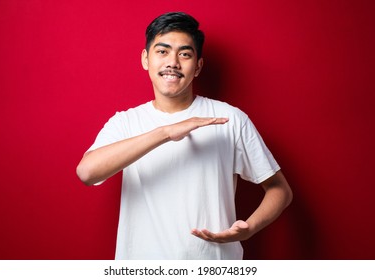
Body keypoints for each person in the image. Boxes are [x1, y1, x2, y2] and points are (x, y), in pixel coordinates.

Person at [76, 11, 292, 260]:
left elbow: (280, 189)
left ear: (198, 66)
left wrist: (249, 229)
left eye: (185, 54)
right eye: (162, 51)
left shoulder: (229, 118)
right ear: (146, 59)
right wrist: (166, 132)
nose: (173, 62)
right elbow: (87, 173)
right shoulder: (125, 122)